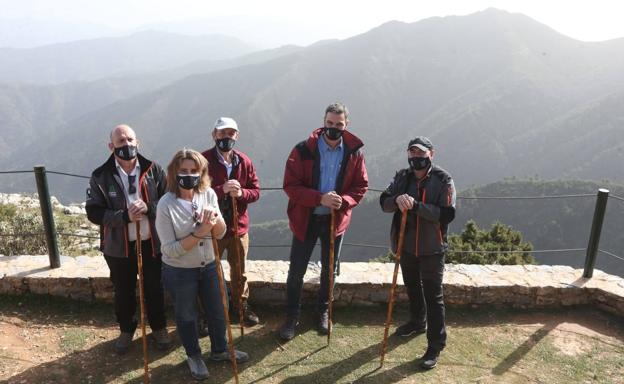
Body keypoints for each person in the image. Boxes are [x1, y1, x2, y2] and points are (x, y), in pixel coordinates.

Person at [155, 148, 249, 380]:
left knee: (219, 309)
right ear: (174, 172)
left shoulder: (207, 194)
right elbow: (169, 250)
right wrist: (201, 231)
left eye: (194, 170)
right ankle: (194, 356)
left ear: (202, 172)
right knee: (187, 314)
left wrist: (213, 223)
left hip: (209, 265)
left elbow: (220, 233)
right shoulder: (165, 205)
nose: (189, 175)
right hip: (179, 270)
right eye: (184, 170)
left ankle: (220, 350)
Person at [279, 102, 368, 340]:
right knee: (296, 271)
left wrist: (345, 200)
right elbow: (290, 186)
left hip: (334, 222)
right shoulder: (303, 150)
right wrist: (320, 198)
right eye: (329, 123)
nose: (333, 128)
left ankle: (323, 313)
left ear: (346, 125)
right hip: (305, 219)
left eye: (339, 124)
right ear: (323, 121)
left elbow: (361, 186)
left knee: (330, 271)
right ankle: (292, 316)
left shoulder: (354, 153)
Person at [86, 124, 170, 354]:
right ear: (111, 146)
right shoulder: (100, 176)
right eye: (121, 141)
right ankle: (126, 330)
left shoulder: (154, 170)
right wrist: (124, 216)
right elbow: (93, 212)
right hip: (118, 247)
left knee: (154, 287)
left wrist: (149, 208)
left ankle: (159, 328)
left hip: (152, 243)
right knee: (123, 290)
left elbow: (169, 201)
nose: (127, 144)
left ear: (138, 141)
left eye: (130, 139)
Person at [379, 136, 456, 370]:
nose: (416, 159)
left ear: (431, 154)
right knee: (412, 286)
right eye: (412, 154)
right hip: (407, 246)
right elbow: (384, 203)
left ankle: (435, 345)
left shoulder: (444, 180)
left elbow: (447, 214)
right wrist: (397, 199)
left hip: (432, 248)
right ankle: (416, 322)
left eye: (421, 154)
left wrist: (416, 206)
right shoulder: (402, 177)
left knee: (434, 296)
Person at [201, 117, 261, 326]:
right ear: (214, 135)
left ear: (236, 136)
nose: (226, 138)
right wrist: (221, 190)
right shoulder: (203, 161)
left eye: (230, 134)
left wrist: (241, 192)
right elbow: (195, 193)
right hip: (212, 229)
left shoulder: (244, 161)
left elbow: (255, 192)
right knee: (210, 272)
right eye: (222, 133)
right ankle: (212, 312)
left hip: (238, 228)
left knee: (240, 272)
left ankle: (241, 307)